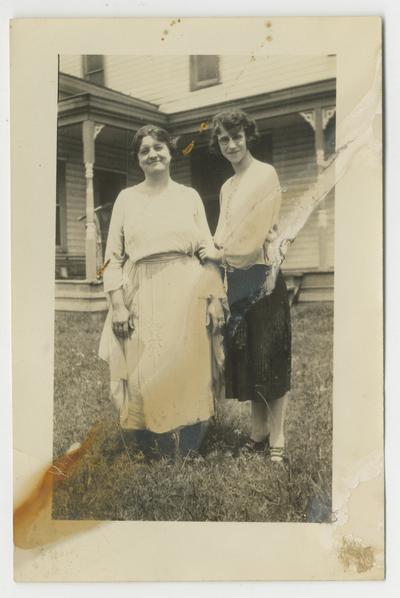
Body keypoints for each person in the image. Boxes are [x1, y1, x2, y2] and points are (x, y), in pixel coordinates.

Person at [99, 124, 226, 455]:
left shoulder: (189, 196)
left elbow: (208, 250)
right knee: (146, 362)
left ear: (171, 152)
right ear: (137, 160)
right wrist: (118, 306)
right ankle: (148, 438)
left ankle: (187, 439)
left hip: (187, 286)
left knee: (186, 361)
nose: (152, 154)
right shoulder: (127, 199)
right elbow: (112, 258)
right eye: (144, 150)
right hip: (142, 287)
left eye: (158, 147)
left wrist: (214, 299)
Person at [199, 109, 291, 463]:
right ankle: (258, 434)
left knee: (272, 358)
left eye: (236, 136)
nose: (231, 144)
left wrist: (216, 253)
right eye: (224, 139)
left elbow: (252, 238)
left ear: (247, 137)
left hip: (263, 277)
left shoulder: (265, 174)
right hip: (237, 278)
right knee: (250, 358)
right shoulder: (226, 186)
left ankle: (278, 437)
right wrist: (215, 250)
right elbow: (222, 232)